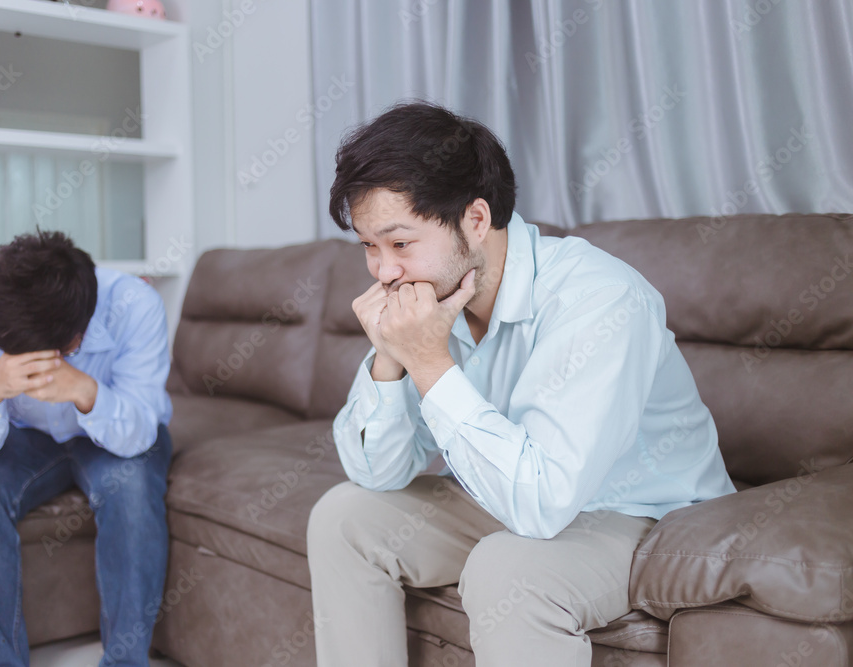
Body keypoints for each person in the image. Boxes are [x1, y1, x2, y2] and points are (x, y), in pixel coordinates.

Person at [307, 102, 736, 666]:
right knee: (344, 516)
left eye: (400, 244)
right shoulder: (435, 301)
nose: (385, 271)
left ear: (476, 220)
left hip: (646, 517)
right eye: (369, 246)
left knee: (508, 568)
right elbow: (376, 473)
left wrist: (431, 364)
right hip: (520, 497)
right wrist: (390, 357)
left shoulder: (598, 300)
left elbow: (543, 504)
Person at [0, 230, 173, 667]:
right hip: (21, 434)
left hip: (115, 434)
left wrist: (86, 392)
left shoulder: (135, 305)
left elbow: (142, 430)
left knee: (135, 486)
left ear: (76, 340)